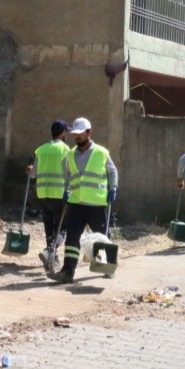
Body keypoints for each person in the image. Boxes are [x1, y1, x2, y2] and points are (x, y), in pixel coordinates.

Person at [48, 117, 119, 284]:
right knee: (72, 239)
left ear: (89, 133)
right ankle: (67, 272)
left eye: (81, 134)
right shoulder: (70, 154)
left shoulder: (101, 153)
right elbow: (68, 175)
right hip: (76, 204)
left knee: (101, 237)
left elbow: (112, 171)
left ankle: (108, 267)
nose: (77, 137)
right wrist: (66, 190)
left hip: (96, 204)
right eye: (75, 135)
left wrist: (113, 188)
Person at [26, 119, 71, 272]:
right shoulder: (66, 150)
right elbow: (68, 173)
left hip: (43, 194)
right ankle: (50, 251)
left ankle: (51, 259)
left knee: (49, 226)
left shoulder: (41, 150)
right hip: (59, 195)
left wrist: (29, 169)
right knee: (62, 228)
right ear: (64, 133)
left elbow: (33, 174)